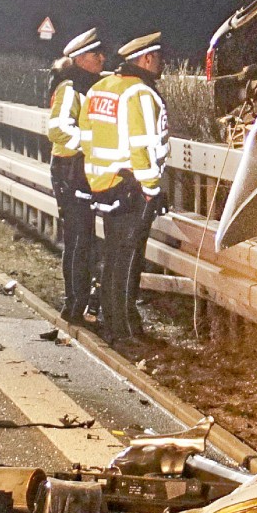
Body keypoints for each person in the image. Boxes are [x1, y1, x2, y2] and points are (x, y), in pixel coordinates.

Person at [82, 31, 169, 341]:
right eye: (157, 58)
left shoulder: (100, 88)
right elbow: (143, 145)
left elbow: (87, 137)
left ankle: (109, 319)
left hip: (104, 185)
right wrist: (151, 187)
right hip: (132, 187)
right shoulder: (140, 94)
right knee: (128, 259)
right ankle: (125, 328)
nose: (160, 64)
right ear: (145, 59)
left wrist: (98, 178)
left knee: (115, 254)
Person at [47, 28, 106, 322]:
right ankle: (73, 305)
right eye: (97, 54)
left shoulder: (89, 85)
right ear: (82, 58)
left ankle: (81, 303)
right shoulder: (70, 87)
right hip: (69, 170)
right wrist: (90, 144)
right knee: (78, 239)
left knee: (84, 240)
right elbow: (57, 128)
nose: (102, 58)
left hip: (80, 170)